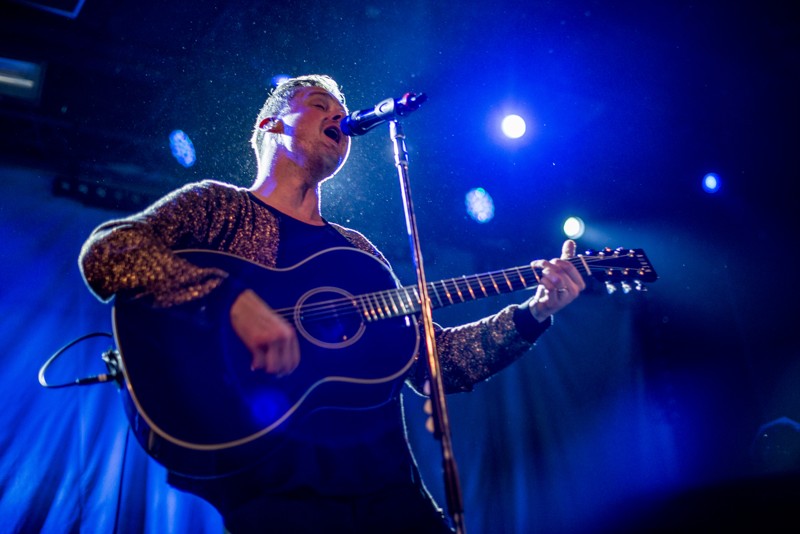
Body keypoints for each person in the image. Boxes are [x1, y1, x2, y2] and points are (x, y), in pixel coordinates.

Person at [79, 74, 585, 533]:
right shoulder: (218, 208)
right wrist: (226, 300)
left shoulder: (359, 254)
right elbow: (109, 250)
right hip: (272, 492)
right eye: (321, 105)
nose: (339, 118)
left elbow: (438, 363)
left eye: (342, 112)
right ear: (270, 122)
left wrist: (535, 310)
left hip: (390, 492)